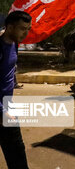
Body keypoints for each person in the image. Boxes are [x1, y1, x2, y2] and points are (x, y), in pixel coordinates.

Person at [0, 11, 31, 169]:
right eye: (22, 29)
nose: (25, 33)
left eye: (28, 29)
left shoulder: (14, 43)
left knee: (17, 153)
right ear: (10, 27)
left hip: (7, 107)